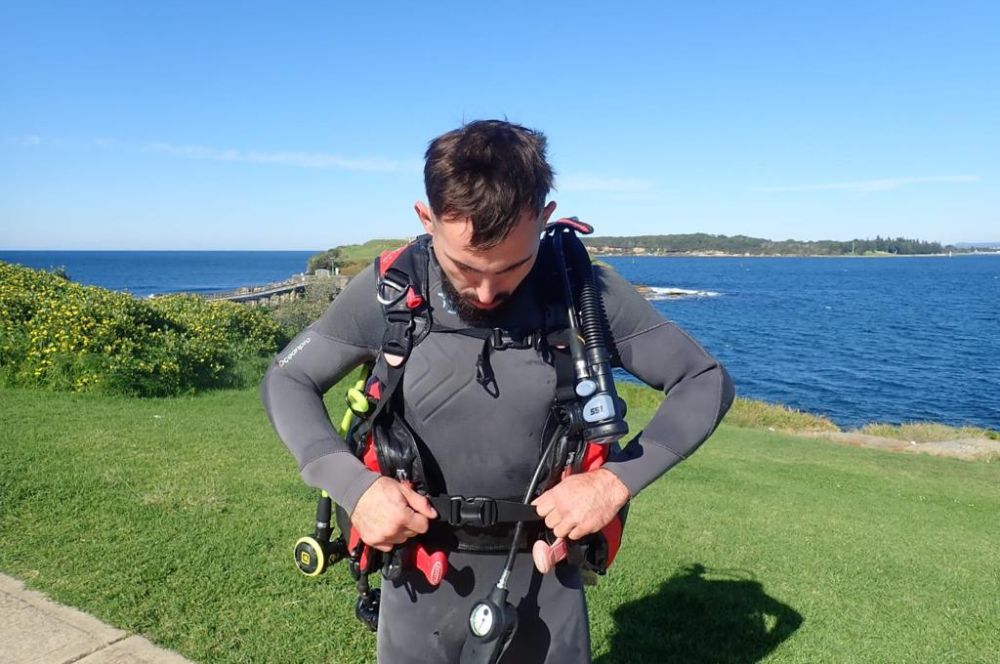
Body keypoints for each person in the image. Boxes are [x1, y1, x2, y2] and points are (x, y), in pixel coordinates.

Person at [261, 119, 734, 663]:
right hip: (416, 574)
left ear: (545, 219)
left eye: (513, 266)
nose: (487, 292)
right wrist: (354, 486)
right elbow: (287, 379)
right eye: (463, 266)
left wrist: (614, 483)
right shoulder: (391, 292)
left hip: (544, 576)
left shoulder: (582, 293)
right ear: (425, 217)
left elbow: (704, 380)